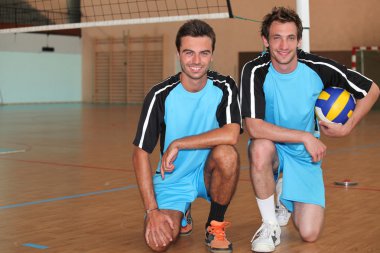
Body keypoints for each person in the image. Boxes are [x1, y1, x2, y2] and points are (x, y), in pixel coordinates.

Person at [240, 6, 379, 253]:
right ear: (265, 40)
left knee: (309, 234)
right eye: (276, 37)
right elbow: (253, 126)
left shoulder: (318, 66)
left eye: (290, 37)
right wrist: (305, 136)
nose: (284, 45)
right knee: (260, 148)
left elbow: (371, 90)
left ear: (299, 40)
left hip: (305, 157)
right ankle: (269, 224)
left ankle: (284, 192)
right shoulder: (254, 70)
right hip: (274, 147)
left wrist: (347, 127)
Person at [132, 19, 242, 252]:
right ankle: (183, 211)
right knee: (158, 242)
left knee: (228, 154)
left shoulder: (225, 86)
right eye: (189, 52)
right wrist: (152, 211)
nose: (196, 61)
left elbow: (232, 134)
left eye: (204, 53)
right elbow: (140, 153)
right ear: (179, 54)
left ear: (212, 55)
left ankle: (215, 226)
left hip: (207, 173)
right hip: (174, 178)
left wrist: (179, 143)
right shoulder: (160, 95)